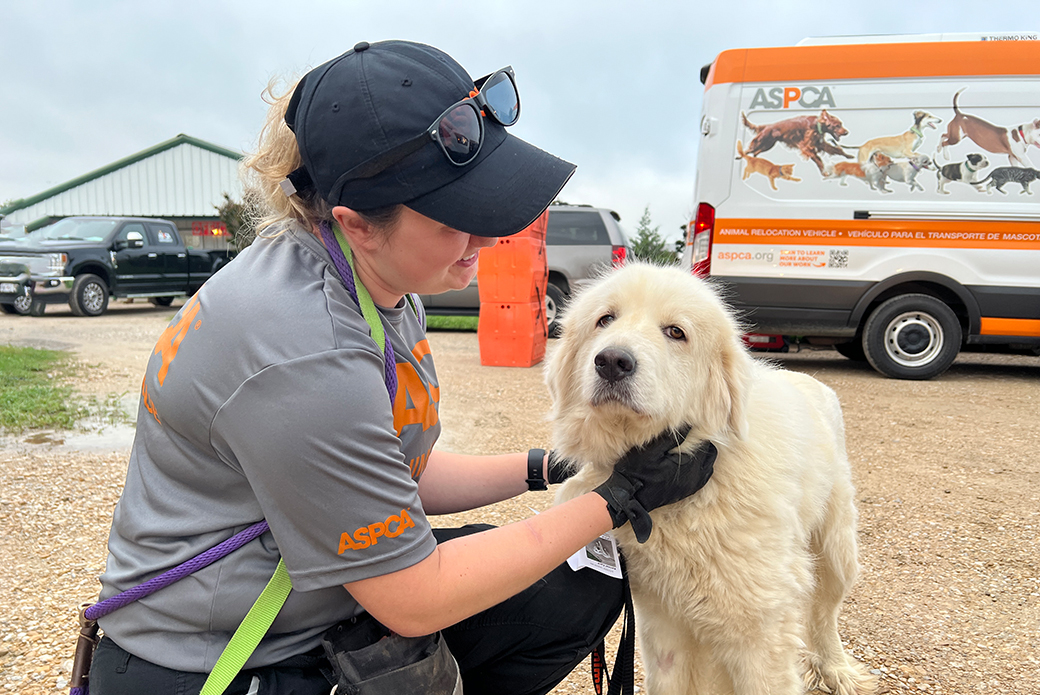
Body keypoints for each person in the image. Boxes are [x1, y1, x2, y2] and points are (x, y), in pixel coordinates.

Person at [88, 40, 717, 695]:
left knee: (580, 580)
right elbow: (413, 597)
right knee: (563, 549)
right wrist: (616, 499)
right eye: (460, 216)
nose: (488, 237)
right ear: (358, 222)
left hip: (318, 598)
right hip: (222, 656)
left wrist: (547, 467)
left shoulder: (383, 286)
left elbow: (404, 473)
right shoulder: (303, 348)